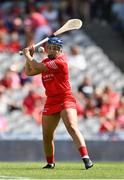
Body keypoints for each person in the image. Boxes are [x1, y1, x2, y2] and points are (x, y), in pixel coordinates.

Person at [23, 36, 93, 170]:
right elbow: (29, 71)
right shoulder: (45, 61)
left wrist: (28, 55)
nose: (53, 50)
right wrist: (29, 57)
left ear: (60, 51)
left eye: (56, 49)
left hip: (65, 98)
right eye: (51, 48)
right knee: (47, 134)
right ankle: (50, 163)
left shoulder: (60, 62)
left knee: (71, 126)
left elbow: (36, 66)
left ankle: (86, 158)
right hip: (51, 101)